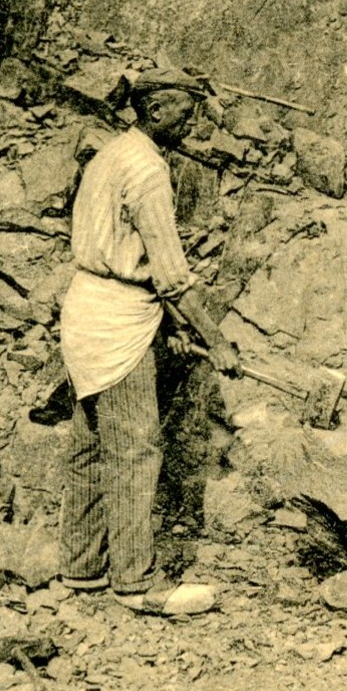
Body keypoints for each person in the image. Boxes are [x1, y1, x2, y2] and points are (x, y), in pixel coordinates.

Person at [57, 69, 242, 615]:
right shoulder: (149, 170)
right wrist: (217, 341)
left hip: (85, 308)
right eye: (186, 113)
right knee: (136, 451)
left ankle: (83, 567)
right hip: (120, 322)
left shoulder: (112, 153)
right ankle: (138, 584)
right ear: (157, 110)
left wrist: (179, 328)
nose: (193, 123)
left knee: (90, 445)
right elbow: (172, 276)